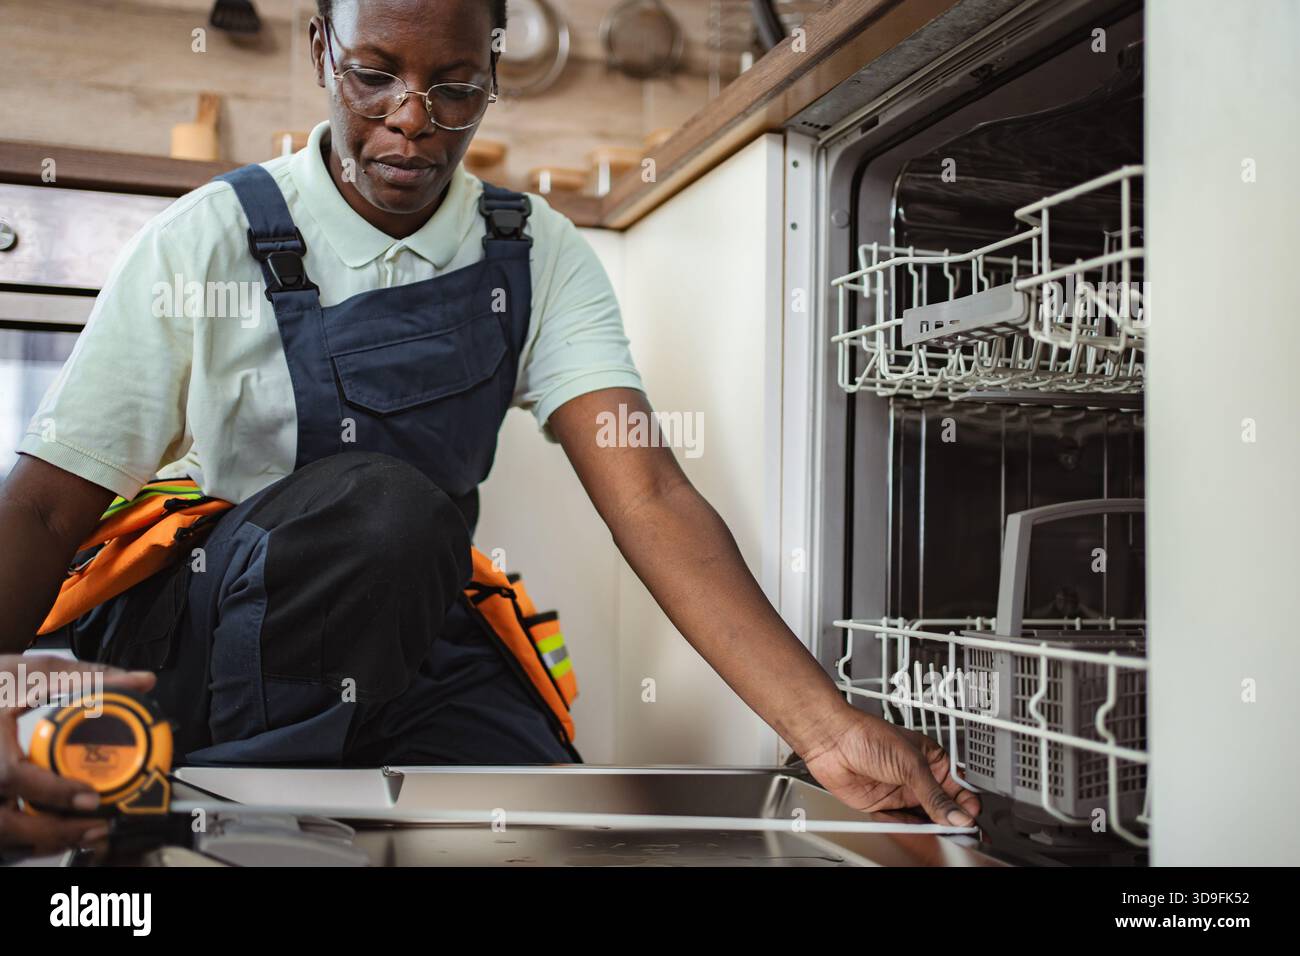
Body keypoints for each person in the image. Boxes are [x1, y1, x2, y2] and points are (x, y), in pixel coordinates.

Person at [0, 0, 978, 853]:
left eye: (457, 87)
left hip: (415, 621)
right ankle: (235, 813)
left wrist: (827, 730)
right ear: (317, 51)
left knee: (535, 820)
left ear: (495, 73)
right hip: (227, 637)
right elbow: (46, 508)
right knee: (384, 509)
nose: (412, 122)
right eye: (373, 75)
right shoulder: (211, 235)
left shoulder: (533, 251)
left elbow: (647, 489)